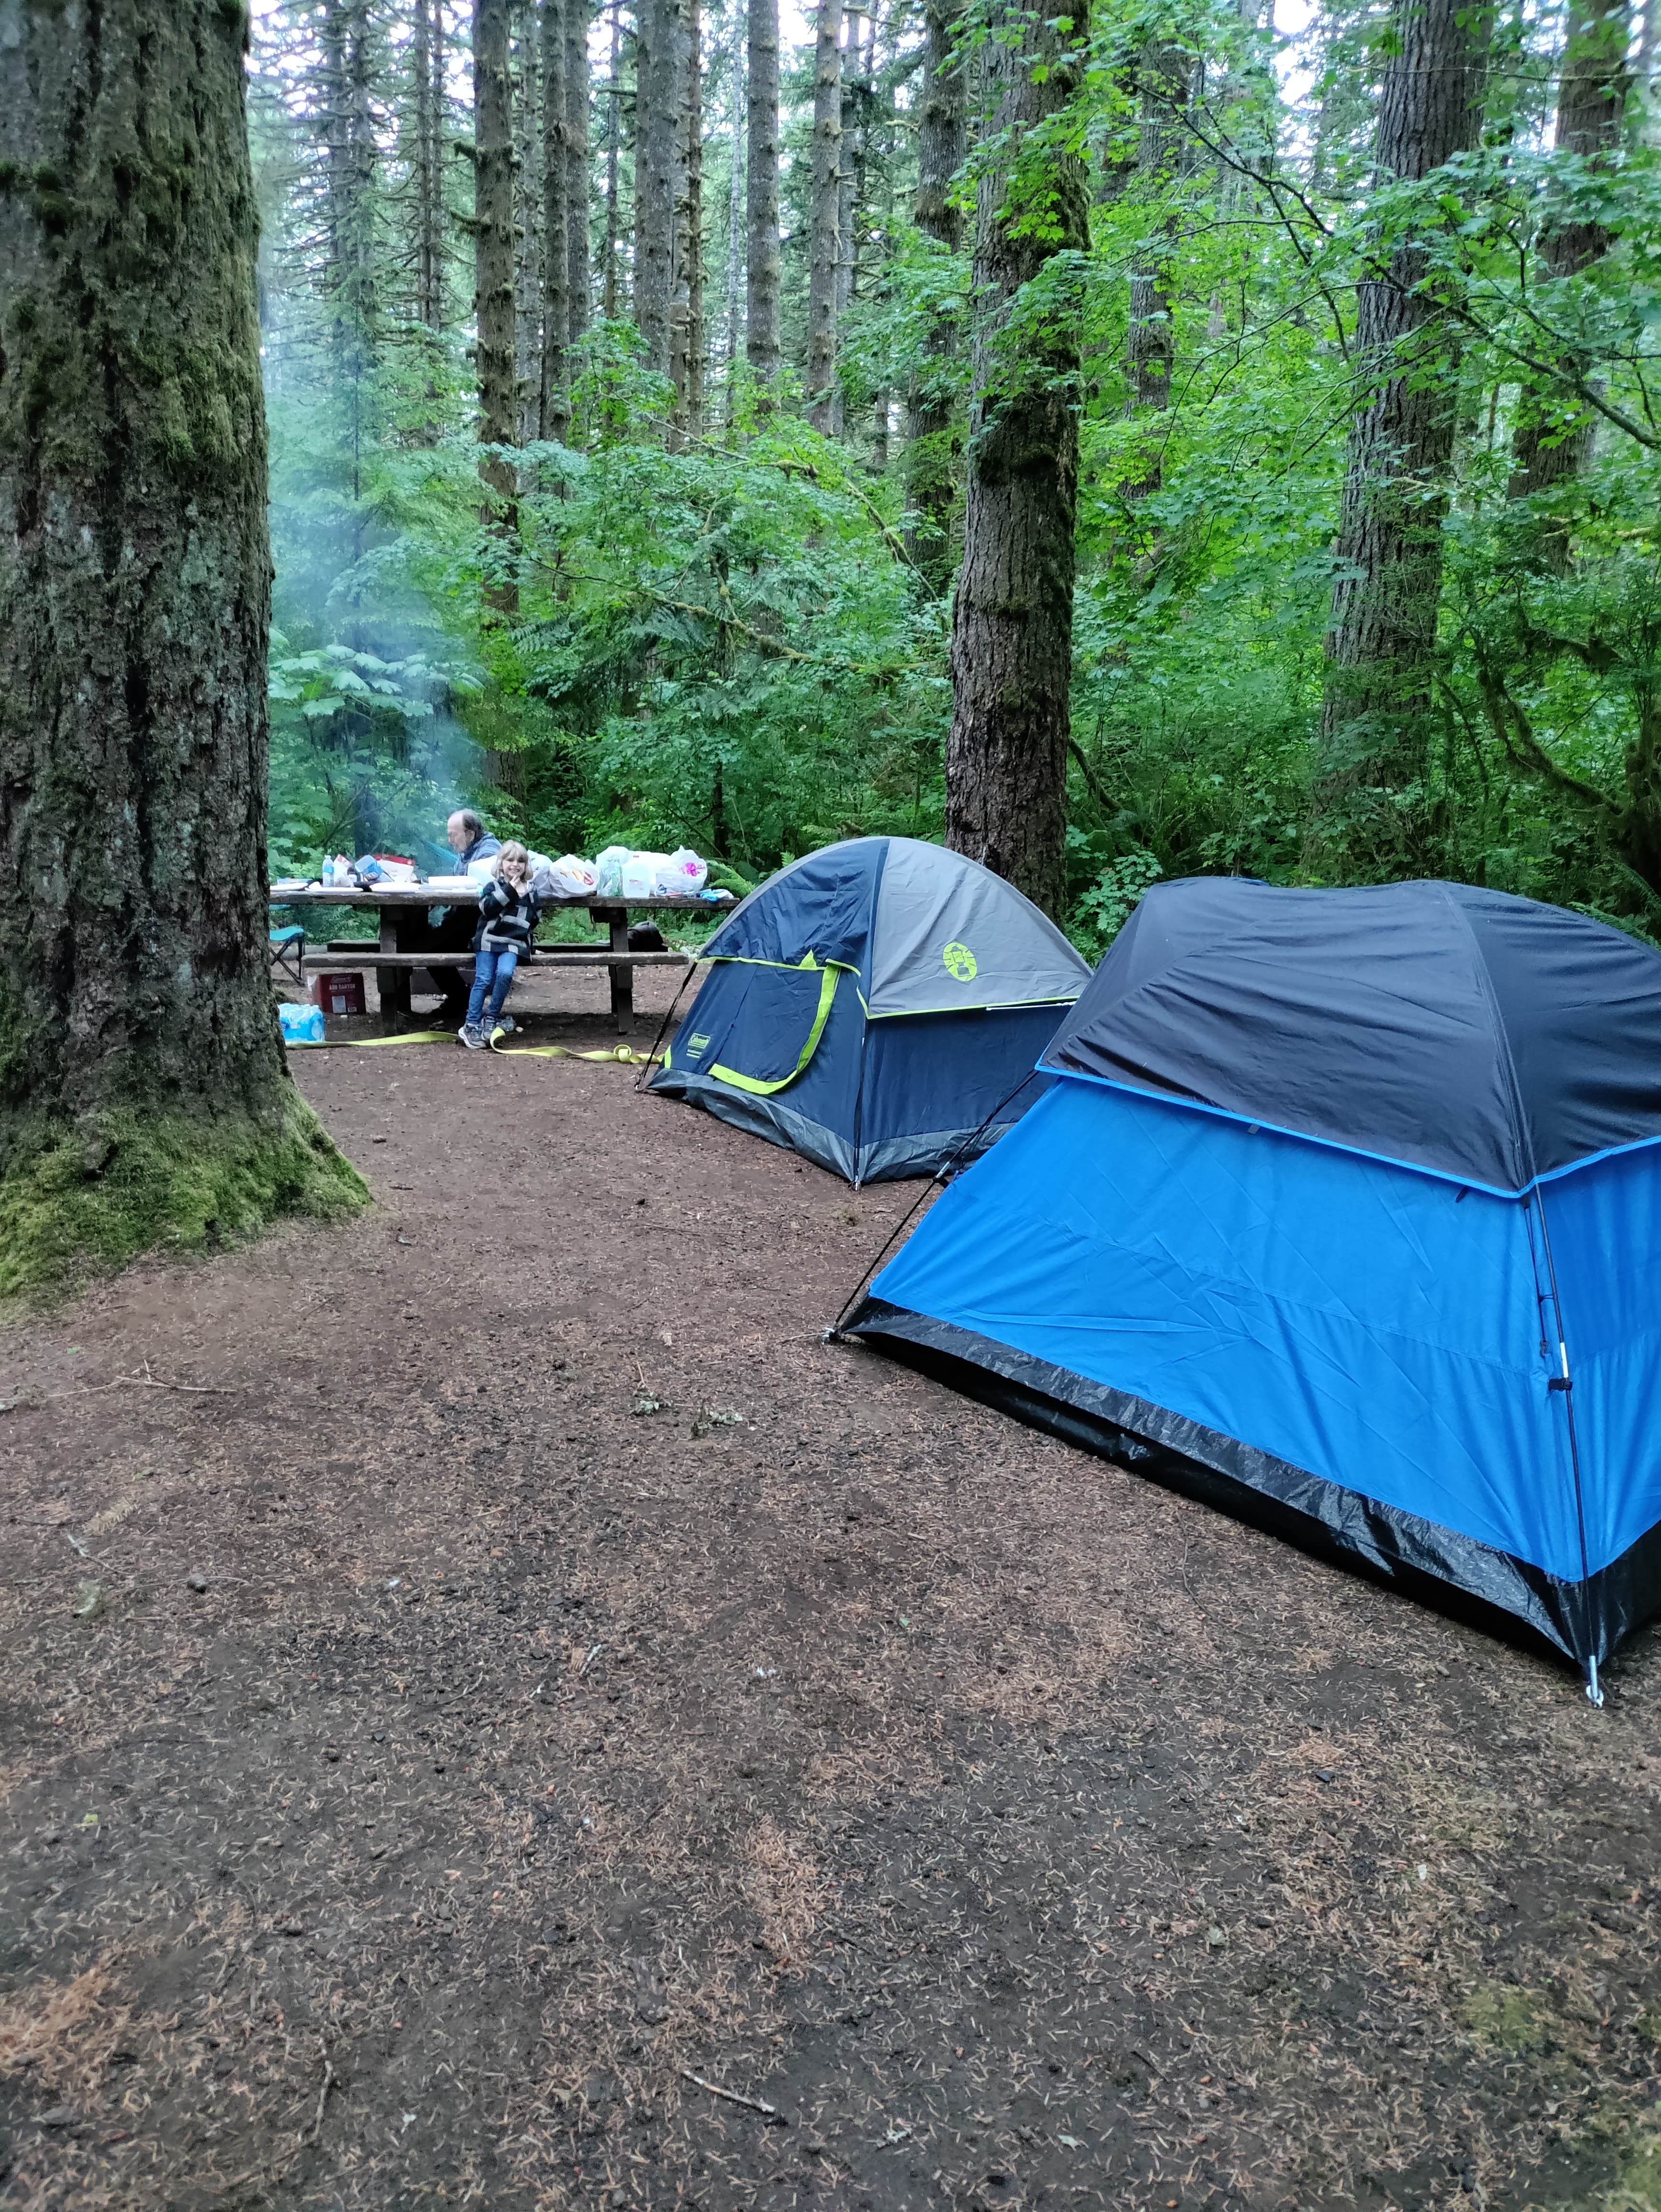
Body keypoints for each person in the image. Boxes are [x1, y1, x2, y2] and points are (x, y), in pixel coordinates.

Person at [396, 808, 503, 1025]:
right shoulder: (467, 852)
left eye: (453, 835)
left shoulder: (489, 852)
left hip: (483, 925)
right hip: (463, 919)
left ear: (471, 833)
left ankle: (458, 998)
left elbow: (476, 889)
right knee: (413, 935)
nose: (450, 840)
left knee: (428, 948)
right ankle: (402, 995)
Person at [460, 842, 541, 1049]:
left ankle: (492, 1017)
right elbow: (488, 909)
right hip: (488, 940)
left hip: (514, 943)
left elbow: (535, 918)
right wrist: (510, 890)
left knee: (505, 974)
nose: (515, 865)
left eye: (520, 861)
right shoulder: (493, 887)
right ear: (501, 863)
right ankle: (471, 1023)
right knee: (484, 978)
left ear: (526, 865)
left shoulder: (531, 892)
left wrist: (524, 935)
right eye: (510, 860)